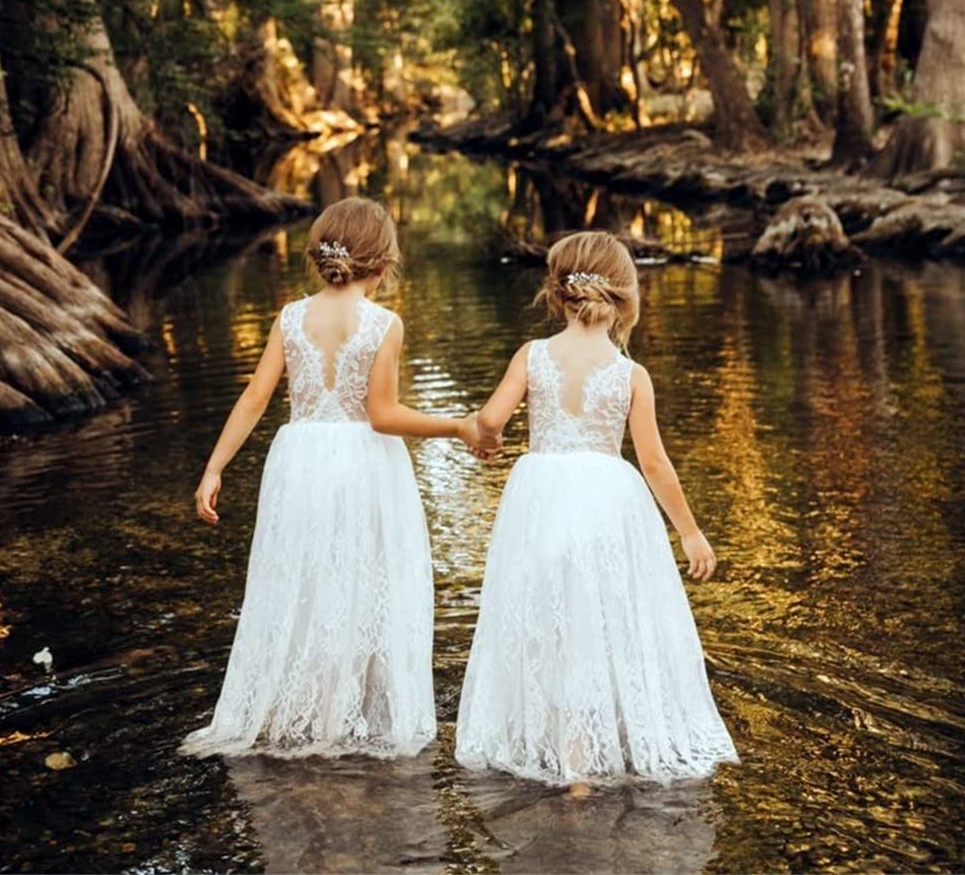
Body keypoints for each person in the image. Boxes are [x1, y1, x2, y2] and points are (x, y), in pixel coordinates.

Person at [182, 197, 481, 760]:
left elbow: (254, 398)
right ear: (382, 260)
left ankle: (303, 710)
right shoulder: (382, 325)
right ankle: (344, 719)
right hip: (363, 465)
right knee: (362, 585)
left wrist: (214, 466)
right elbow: (383, 415)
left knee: (301, 581)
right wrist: (457, 427)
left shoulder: (291, 316)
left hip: (297, 463)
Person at [455, 230, 739, 784]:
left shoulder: (532, 356)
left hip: (539, 502)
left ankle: (563, 753)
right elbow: (654, 462)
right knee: (603, 623)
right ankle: (592, 762)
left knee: (549, 623)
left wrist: (486, 442)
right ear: (625, 298)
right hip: (610, 505)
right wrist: (690, 533)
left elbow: (490, 420)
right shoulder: (632, 375)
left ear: (558, 295)